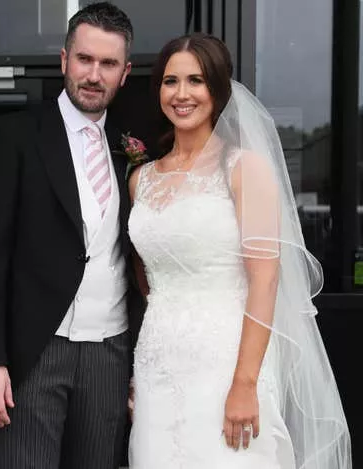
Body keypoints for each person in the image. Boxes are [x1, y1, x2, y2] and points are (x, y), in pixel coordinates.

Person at [127, 33, 351, 468]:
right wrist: (142, 369)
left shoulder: (244, 168)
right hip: (157, 364)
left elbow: (265, 278)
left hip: (228, 363)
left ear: (217, 88)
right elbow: (147, 276)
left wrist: (245, 383)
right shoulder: (142, 179)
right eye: (171, 81)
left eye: (196, 80)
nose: (182, 93)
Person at [0, 3, 144, 468]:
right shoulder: (11, 136)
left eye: (108, 64)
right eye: (84, 59)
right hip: (34, 350)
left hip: (110, 351)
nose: (94, 74)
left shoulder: (132, 148)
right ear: (64, 60)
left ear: (125, 73)